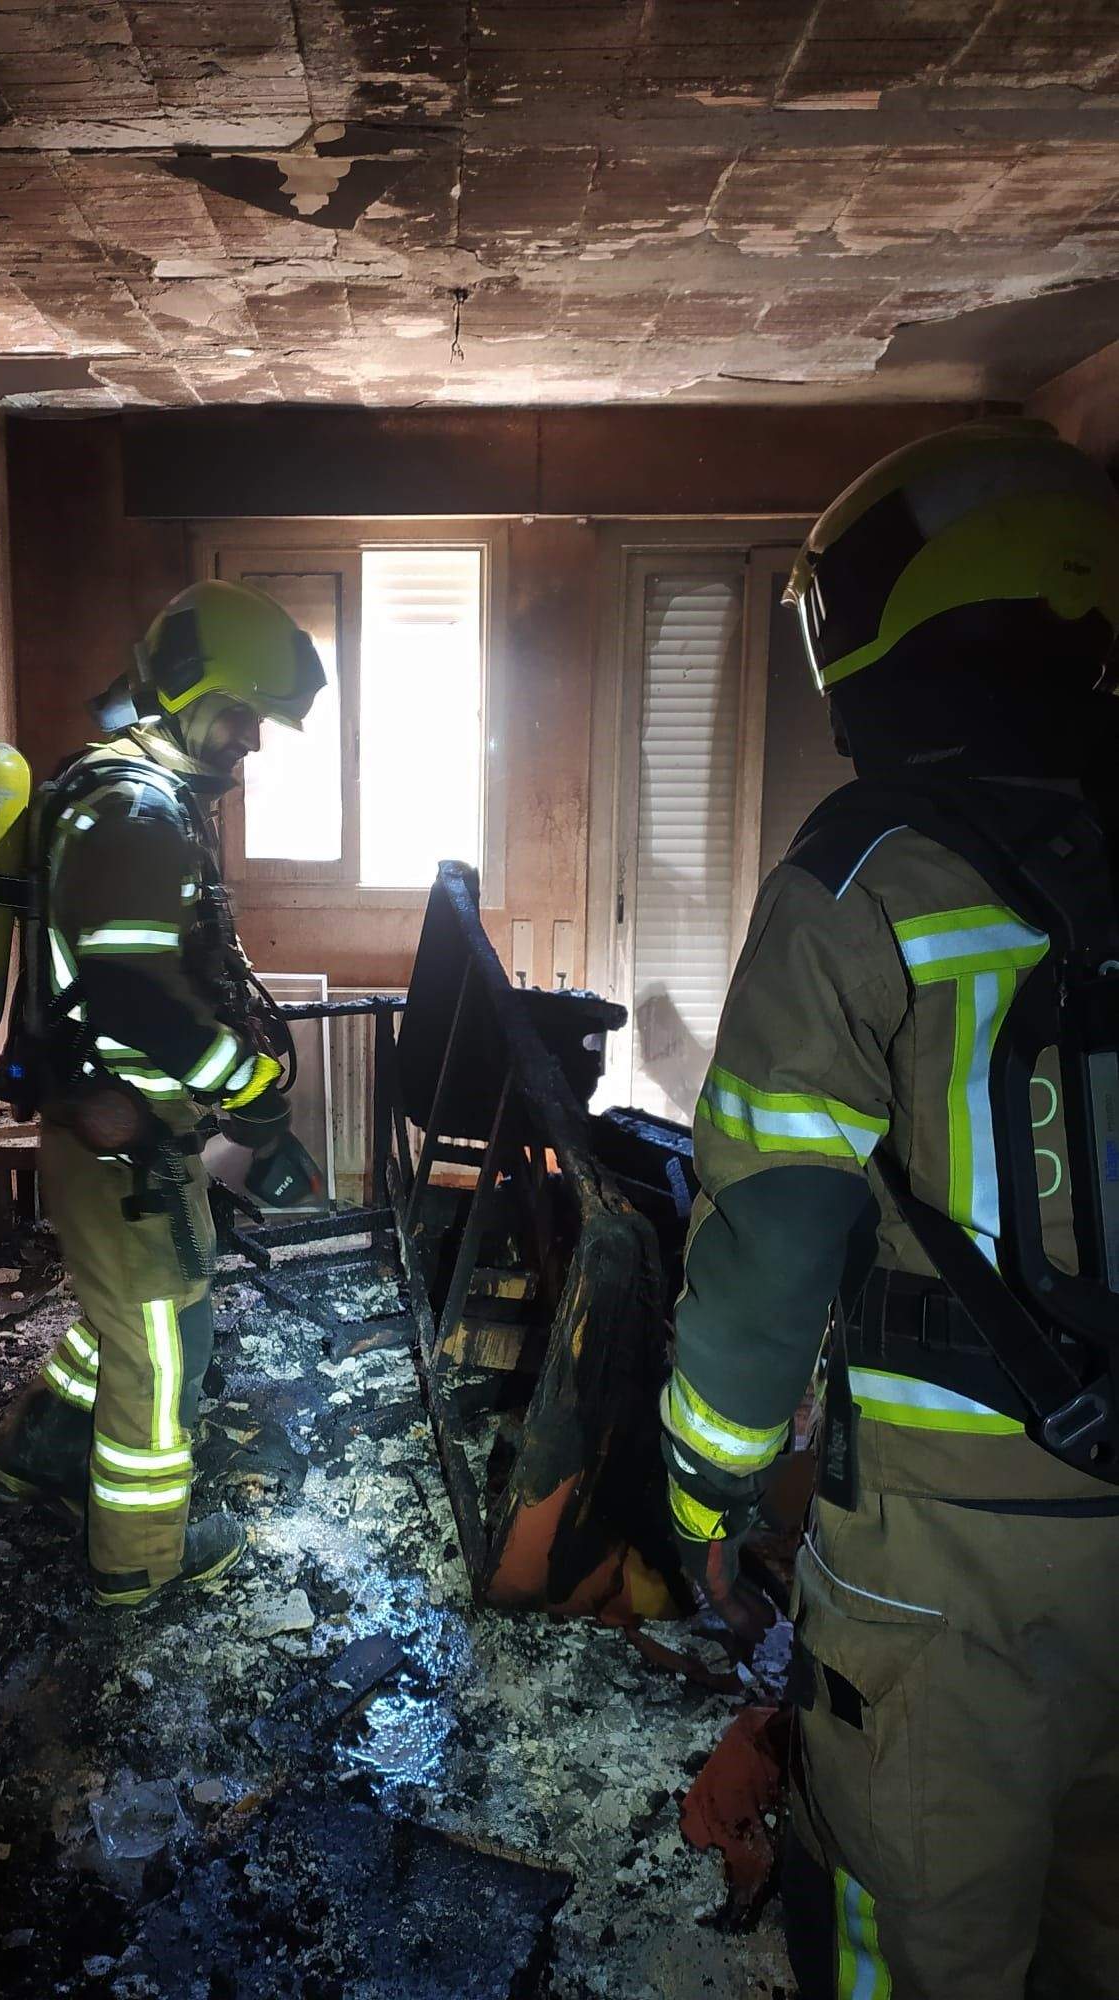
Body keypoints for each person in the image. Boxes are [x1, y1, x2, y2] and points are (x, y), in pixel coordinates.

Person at [657, 419, 1119, 1997]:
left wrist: (709, 1492)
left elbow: (774, 1239)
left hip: (944, 1559)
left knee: (911, 1936)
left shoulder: (868, 881)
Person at [0, 579, 326, 1610]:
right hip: (118, 1134)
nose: (253, 742)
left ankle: (37, 1452)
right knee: (165, 1345)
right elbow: (131, 995)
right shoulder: (135, 809)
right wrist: (252, 1094)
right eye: (243, 715)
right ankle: (139, 1556)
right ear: (186, 692)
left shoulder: (131, 792)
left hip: (113, 1130)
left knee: (123, 1318)